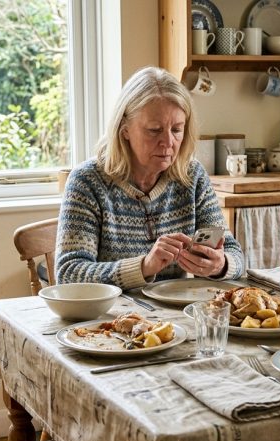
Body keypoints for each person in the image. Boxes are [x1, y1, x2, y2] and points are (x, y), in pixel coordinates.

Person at [55, 66, 244, 289]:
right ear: (124, 129)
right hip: (109, 318)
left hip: (174, 316)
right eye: (154, 130)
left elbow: (235, 254)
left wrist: (220, 265)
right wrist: (143, 266)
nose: (168, 142)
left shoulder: (191, 175)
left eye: (177, 129)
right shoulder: (87, 181)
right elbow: (68, 274)